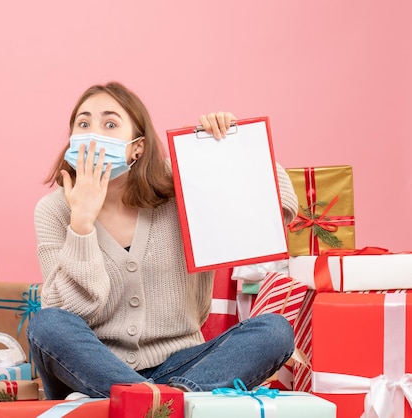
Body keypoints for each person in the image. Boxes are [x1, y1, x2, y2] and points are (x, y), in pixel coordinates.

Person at [27, 81, 298, 400]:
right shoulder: (54, 210)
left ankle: (152, 401)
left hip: (185, 366)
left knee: (275, 332)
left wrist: (225, 147)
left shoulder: (179, 184)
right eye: (83, 124)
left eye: (110, 124)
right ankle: (165, 402)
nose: (93, 135)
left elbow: (280, 205)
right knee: (47, 324)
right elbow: (68, 313)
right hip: (94, 369)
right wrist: (82, 224)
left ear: (137, 147)